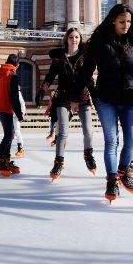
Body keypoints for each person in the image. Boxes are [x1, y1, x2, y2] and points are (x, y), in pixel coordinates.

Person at [72, 4, 133, 202]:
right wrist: (75, 97)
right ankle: (112, 179)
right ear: (113, 21)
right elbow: (86, 70)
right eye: (122, 21)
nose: (126, 25)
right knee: (111, 141)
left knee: (131, 141)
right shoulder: (100, 41)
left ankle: (123, 170)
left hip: (130, 100)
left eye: (129, 22)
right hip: (106, 99)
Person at [40, 28, 96, 180]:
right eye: (71, 37)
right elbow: (51, 74)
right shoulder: (59, 57)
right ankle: (58, 162)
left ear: (80, 39)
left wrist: (96, 97)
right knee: (62, 132)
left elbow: (89, 78)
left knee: (88, 131)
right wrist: (44, 86)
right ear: (66, 39)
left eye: (77, 37)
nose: (74, 39)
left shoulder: (85, 57)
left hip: (82, 95)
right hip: (64, 96)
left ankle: (88, 155)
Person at [13, 88, 27, 158]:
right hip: (9, 114)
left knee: (17, 131)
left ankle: (20, 148)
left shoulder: (17, 93)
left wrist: (21, 113)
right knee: (9, 133)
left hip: (16, 115)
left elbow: (22, 103)